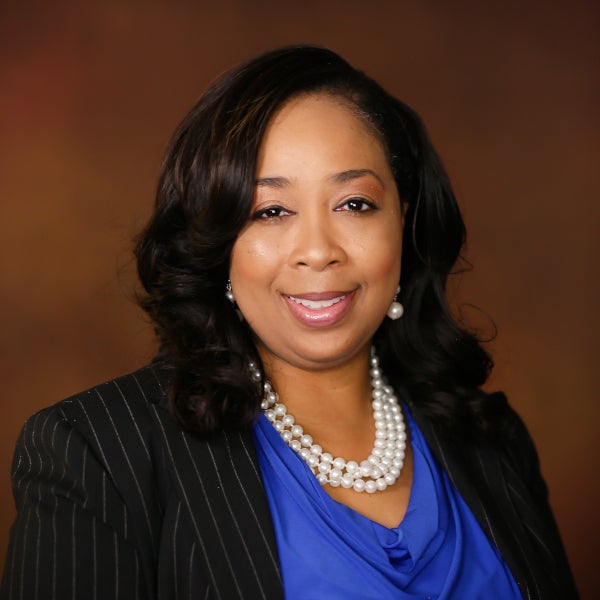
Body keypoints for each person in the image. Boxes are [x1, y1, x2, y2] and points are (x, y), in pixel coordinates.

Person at [1, 45, 577, 599]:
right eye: (270, 211)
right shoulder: (98, 452)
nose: (318, 251)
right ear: (216, 240)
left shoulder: (492, 440)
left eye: (354, 204)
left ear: (402, 222)